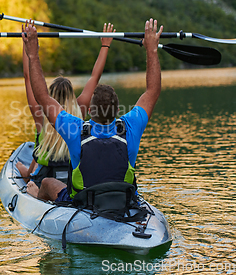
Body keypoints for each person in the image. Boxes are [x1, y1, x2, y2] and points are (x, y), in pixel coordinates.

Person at [23, 18, 163, 202]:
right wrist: (152, 49)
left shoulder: (75, 130)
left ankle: (35, 197)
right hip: (123, 199)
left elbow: (42, 96)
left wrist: (33, 54)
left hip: (84, 202)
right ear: (117, 110)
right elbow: (152, 91)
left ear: (90, 109)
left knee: (48, 182)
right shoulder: (130, 127)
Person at [16, 23, 116, 193]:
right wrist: (105, 45)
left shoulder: (42, 112)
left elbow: (28, 78)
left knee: (26, 163)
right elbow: (95, 76)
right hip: (73, 175)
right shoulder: (81, 109)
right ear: (71, 95)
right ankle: (28, 172)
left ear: (48, 96)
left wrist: (29, 48)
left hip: (45, 177)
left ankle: (28, 177)